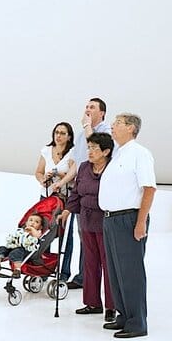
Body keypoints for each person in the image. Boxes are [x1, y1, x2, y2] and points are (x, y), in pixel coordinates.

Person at [99, 113, 156, 338]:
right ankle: (123, 316)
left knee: (131, 272)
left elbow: (149, 188)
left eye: (118, 123)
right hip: (111, 219)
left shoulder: (140, 154)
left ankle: (137, 323)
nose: (112, 126)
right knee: (115, 272)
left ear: (131, 128)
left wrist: (140, 222)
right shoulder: (118, 154)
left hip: (128, 219)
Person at [59, 132, 116, 322]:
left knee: (108, 265)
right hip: (86, 221)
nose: (89, 151)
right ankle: (92, 303)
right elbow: (76, 193)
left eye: (94, 148)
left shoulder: (113, 168)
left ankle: (112, 306)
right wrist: (67, 211)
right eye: (89, 147)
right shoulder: (84, 167)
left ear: (106, 151)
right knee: (90, 263)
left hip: (106, 222)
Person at [66, 97, 112, 289]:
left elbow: (96, 148)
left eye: (92, 107)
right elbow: (76, 163)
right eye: (86, 106)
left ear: (102, 113)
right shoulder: (80, 135)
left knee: (98, 241)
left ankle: (102, 281)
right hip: (82, 192)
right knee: (84, 236)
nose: (87, 109)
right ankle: (84, 277)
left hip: (98, 194)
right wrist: (63, 181)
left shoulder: (106, 131)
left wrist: (87, 126)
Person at [0, 214, 46, 278]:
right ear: (26, 223)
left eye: (36, 222)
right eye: (31, 220)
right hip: (14, 247)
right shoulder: (21, 230)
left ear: (40, 227)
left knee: (17, 252)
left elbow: (37, 236)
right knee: (2, 248)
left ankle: (17, 270)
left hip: (26, 250)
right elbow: (14, 237)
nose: (33, 222)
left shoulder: (37, 232)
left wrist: (32, 229)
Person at [35, 122, 77, 199]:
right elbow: (39, 172)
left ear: (69, 137)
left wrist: (56, 173)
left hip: (64, 197)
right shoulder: (46, 150)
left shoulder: (73, 152)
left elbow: (73, 177)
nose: (58, 136)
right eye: (56, 132)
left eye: (62, 133)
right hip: (46, 195)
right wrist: (43, 180)